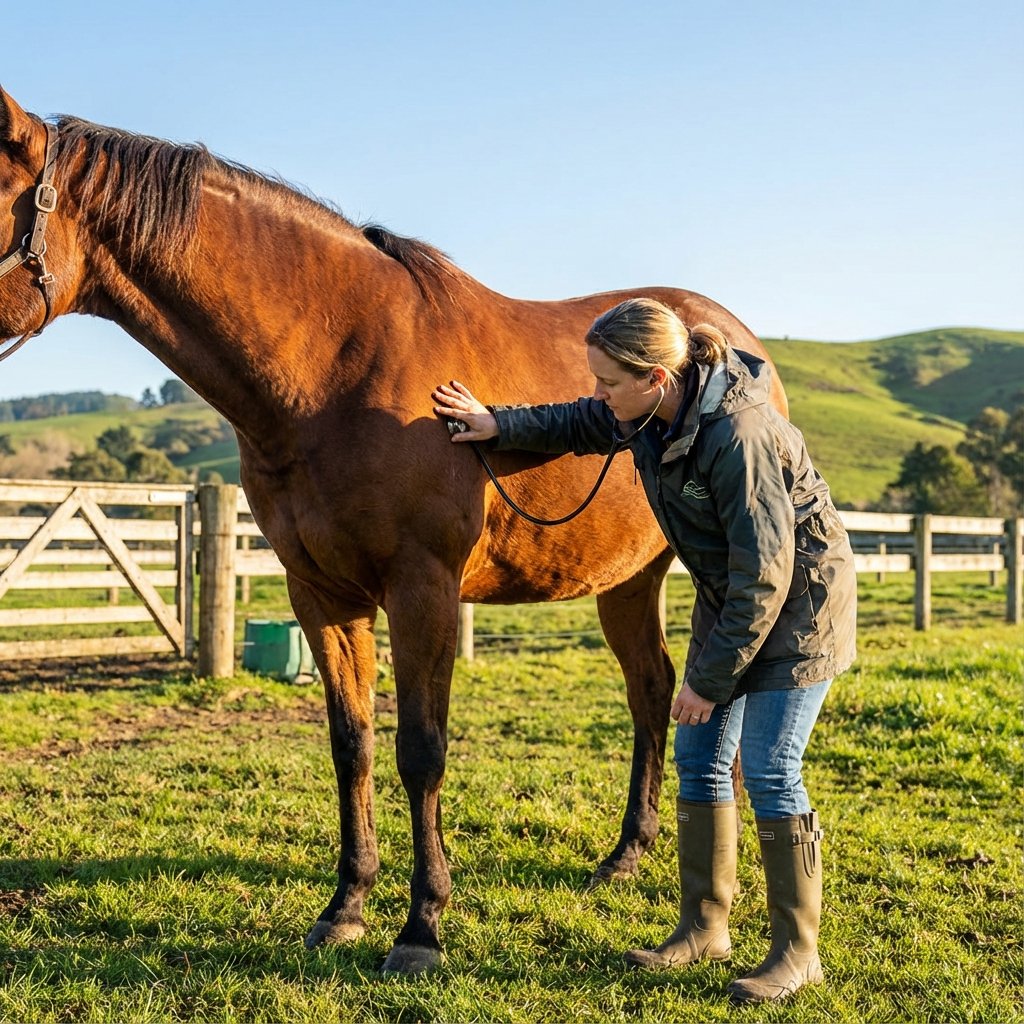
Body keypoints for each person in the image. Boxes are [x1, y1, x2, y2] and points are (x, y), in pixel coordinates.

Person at [431, 297, 857, 1005]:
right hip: (736, 600)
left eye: (608, 381)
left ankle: (796, 952)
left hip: (796, 607)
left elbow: (766, 575)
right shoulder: (650, 411)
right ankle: (702, 928)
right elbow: (579, 420)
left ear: (656, 378)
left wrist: (709, 683)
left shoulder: (738, 435)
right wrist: (498, 422)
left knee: (774, 769)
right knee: (697, 758)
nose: (599, 393)